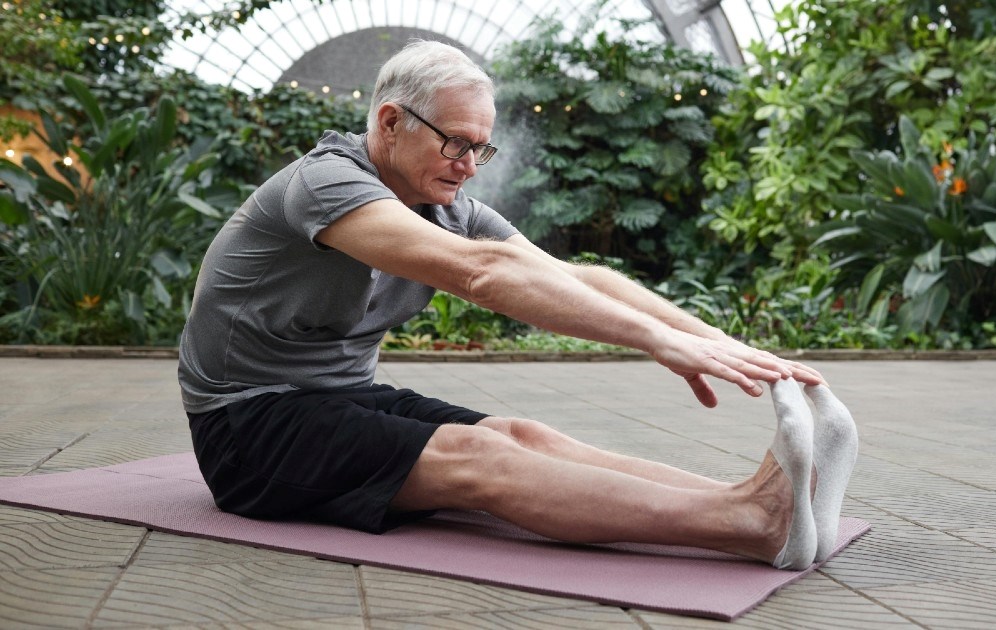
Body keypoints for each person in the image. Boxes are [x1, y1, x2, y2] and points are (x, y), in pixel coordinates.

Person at [179, 40, 856, 570]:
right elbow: (482, 273)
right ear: (391, 121)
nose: (470, 164)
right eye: (456, 142)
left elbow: (574, 276)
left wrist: (710, 337)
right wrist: (653, 342)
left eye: (481, 147)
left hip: (336, 399)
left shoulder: (446, 204)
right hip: (247, 427)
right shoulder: (324, 184)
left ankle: (753, 501)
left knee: (523, 436)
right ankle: (749, 526)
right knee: (478, 460)